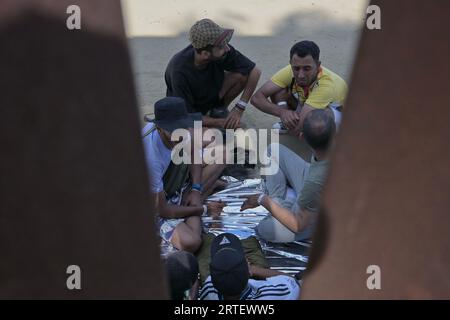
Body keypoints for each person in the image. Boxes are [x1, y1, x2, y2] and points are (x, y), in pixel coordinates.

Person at [142, 97, 225, 253]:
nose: (178, 135)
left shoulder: (182, 130)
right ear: (158, 128)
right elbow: (162, 210)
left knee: (222, 154)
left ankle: (191, 202)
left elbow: (193, 150)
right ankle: (192, 205)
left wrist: (196, 188)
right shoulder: (150, 157)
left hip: (170, 186)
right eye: (171, 131)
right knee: (191, 242)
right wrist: (204, 210)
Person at [241, 109, 335, 242]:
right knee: (272, 151)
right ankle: (281, 203)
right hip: (318, 184)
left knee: (265, 229)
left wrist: (262, 200)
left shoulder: (314, 182)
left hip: (319, 219)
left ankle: (283, 205)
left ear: (302, 138)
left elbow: (298, 225)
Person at [165, 18, 261, 129]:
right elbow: (186, 116)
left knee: (242, 74)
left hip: (210, 96)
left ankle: (218, 110)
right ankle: (215, 120)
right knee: (198, 134)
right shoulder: (179, 70)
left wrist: (239, 108)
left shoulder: (221, 51)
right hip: (189, 110)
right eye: (221, 46)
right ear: (205, 54)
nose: (227, 48)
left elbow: (255, 71)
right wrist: (221, 122)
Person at [251, 40, 347, 133]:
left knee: (316, 120)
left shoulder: (326, 84)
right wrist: (283, 112)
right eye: (296, 68)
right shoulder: (290, 70)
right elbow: (256, 98)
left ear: (318, 65)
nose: (300, 75)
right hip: (308, 103)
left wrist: (298, 126)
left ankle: (325, 138)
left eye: (307, 69)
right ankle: (289, 122)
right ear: (291, 64)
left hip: (340, 117)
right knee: (278, 91)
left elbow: (298, 127)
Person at [198, 233, 300, 300]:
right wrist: (254, 270)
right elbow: (291, 280)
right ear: (247, 265)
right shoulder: (275, 292)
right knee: (252, 245)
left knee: (208, 239)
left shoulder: (209, 287)